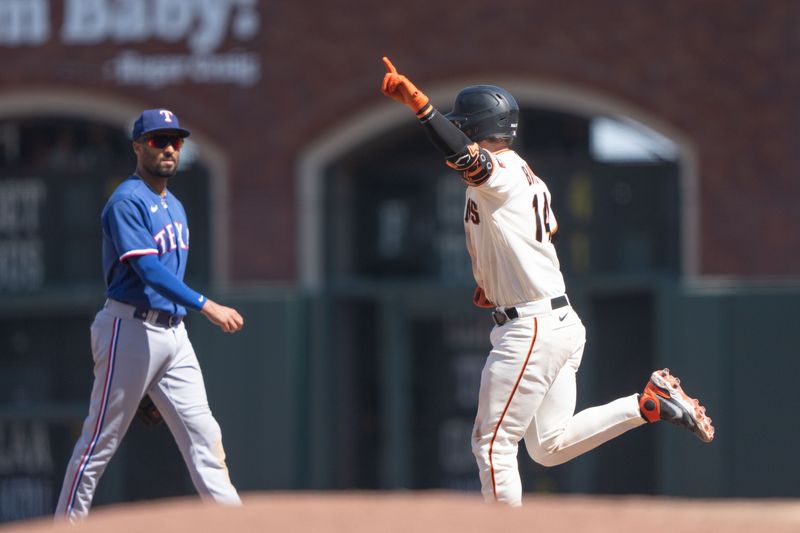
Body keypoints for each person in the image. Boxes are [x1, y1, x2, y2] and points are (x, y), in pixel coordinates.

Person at [380, 57, 714, 506]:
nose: (460, 131)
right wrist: (495, 281)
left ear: (478, 128)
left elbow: (463, 156)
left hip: (531, 326)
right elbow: (523, 240)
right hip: (553, 320)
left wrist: (421, 107)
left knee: (492, 445)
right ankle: (648, 403)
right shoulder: (521, 178)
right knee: (549, 446)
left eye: (464, 125)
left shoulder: (499, 173)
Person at [55, 109, 244, 521]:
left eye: (175, 141)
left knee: (205, 437)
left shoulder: (173, 204)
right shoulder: (126, 201)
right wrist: (205, 304)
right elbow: (149, 270)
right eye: (158, 140)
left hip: (173, 337)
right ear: (138, 147)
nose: (169, 149)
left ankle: (236, 525)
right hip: (129, 328)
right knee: (98, 443)